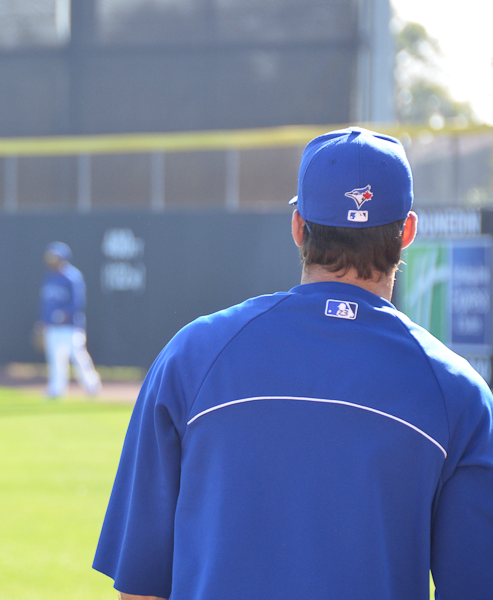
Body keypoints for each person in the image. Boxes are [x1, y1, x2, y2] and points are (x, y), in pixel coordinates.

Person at [93, 127, 493, 600]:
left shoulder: (193, 355)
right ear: (407, 231)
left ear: (299, 226)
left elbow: (140, 588)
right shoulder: (460, 394)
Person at [35, 241, 102, 399]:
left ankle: (92, 386)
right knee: (55, 358)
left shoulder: (72, 277)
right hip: (52, 327)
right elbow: (45, 304)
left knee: (78, 357)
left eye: (55, 257)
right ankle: (56, 389)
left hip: (70, 327)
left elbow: (77, 302)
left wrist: (64, 314)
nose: (52, 260)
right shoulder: (49, 278)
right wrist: (42, 322)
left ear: (64, 258)